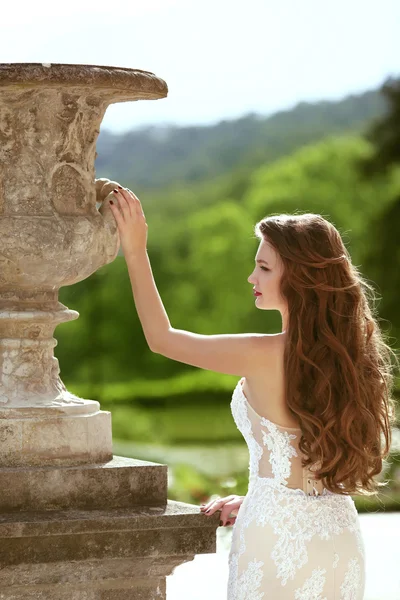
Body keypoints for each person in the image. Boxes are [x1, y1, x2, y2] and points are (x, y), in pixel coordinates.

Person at [108, 188, 398, 599]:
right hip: (339, 538)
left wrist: (135, 251)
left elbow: (162, 339)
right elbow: (314, 467)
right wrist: (259, 495)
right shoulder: (353, 361)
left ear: (297, 276)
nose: (252, 278)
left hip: (273, 539)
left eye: (263, 267)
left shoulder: (261, 353)